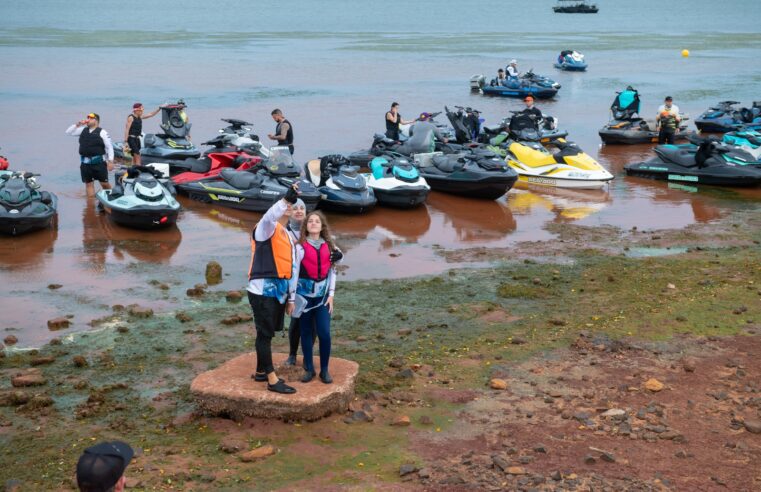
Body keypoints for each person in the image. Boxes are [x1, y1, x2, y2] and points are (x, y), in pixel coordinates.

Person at [248, 185, 301, 394]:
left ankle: (261, 370)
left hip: (278, 292)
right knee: (265, 334)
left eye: (291, 205)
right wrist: (286, 200)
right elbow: (270, 217)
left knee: (266, 333)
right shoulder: (264, 227)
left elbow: (292, 267)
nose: (289, 207)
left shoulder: (287, 235)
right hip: (262, 291)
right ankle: (271, 379)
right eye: (285, 205)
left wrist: (291, 298)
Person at [292, 211, 341, 384]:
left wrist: (332, 295)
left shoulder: (331, 246)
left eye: (317, 221)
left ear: (322, 226)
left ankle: (325, 370)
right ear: (306, 226)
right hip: (304, 298)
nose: (313, 223)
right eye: (310, 221)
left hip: (322, 299)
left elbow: (333, 271)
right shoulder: (299, 248)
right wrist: (291, 300)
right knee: (305, 332)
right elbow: (294, 274)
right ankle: (310, 369)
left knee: (324, 333)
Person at [66, 113, 115, 197]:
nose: (88, 119)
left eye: (91, 118)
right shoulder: (83, 130)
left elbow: (109, 147)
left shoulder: (102, 132)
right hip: (85, 163)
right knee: (88, 184)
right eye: (87, 117)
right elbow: (68, 132)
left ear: (96, 121)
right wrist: (78, 124)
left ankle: (111, 198)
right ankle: (91, 204)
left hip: (99, 163)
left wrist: (110, 161)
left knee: (104, 183)